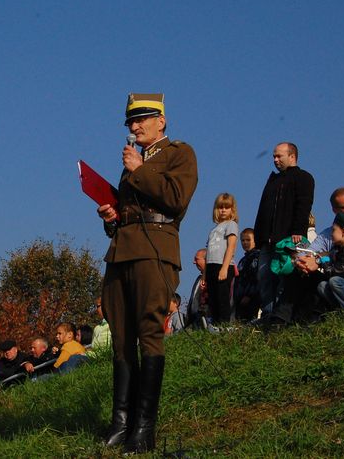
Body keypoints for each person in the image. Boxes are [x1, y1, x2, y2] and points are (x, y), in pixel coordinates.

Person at [96, 93, 198, 453]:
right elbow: (133, 209)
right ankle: (120, 423)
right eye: (130, 122)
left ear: (162, 121)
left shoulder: (179, 154)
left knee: (148, 334)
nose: (135, 126)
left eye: (142, 119)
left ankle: (144, 428)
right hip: (121, 253)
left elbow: (175, 199)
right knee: (121, 338)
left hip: (156, 253)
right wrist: (113, 216)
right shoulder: (132, 164)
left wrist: (140, 170)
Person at [253, 142, 315, 318]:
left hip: (288, 239)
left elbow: (303, 205)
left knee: (284, 278)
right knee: (264, 278)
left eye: (279, 156)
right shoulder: (273, 180)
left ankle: (281, 317)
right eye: (274, 156)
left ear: (292, 156)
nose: (275, 159)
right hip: (267, 240)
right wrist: (259, 236)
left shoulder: (304, 178)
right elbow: (263, 210)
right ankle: (267, 315)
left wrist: (298, 231)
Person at [204, 193, 239, 324]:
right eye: (220, 207)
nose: (223, 210)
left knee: (222, 296)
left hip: (223, 265)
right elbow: (208, 252)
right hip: (212, 265)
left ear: (232, 209)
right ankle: (215, 323)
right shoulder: (213, 230)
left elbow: (231, 247)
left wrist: (224, 268)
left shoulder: (231, 225)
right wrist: (204, 275)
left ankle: (224, 324)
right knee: (212, 297)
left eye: (227, 207)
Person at [234, 229, 261, 322]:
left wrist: (249, 295)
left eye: (248, 240)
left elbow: (255, 277)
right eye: (243, 240)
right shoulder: (243, 260)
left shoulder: (257, 256)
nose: (245, 243)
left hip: (251, 297)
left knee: (249, 319)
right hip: (240, 296)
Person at [185, 249, 209, 328]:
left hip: (205, 319)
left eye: (197, 259)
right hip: (194, 321)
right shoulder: (198, 278)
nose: (194, 262)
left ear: (206, 260)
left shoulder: (211, 278)